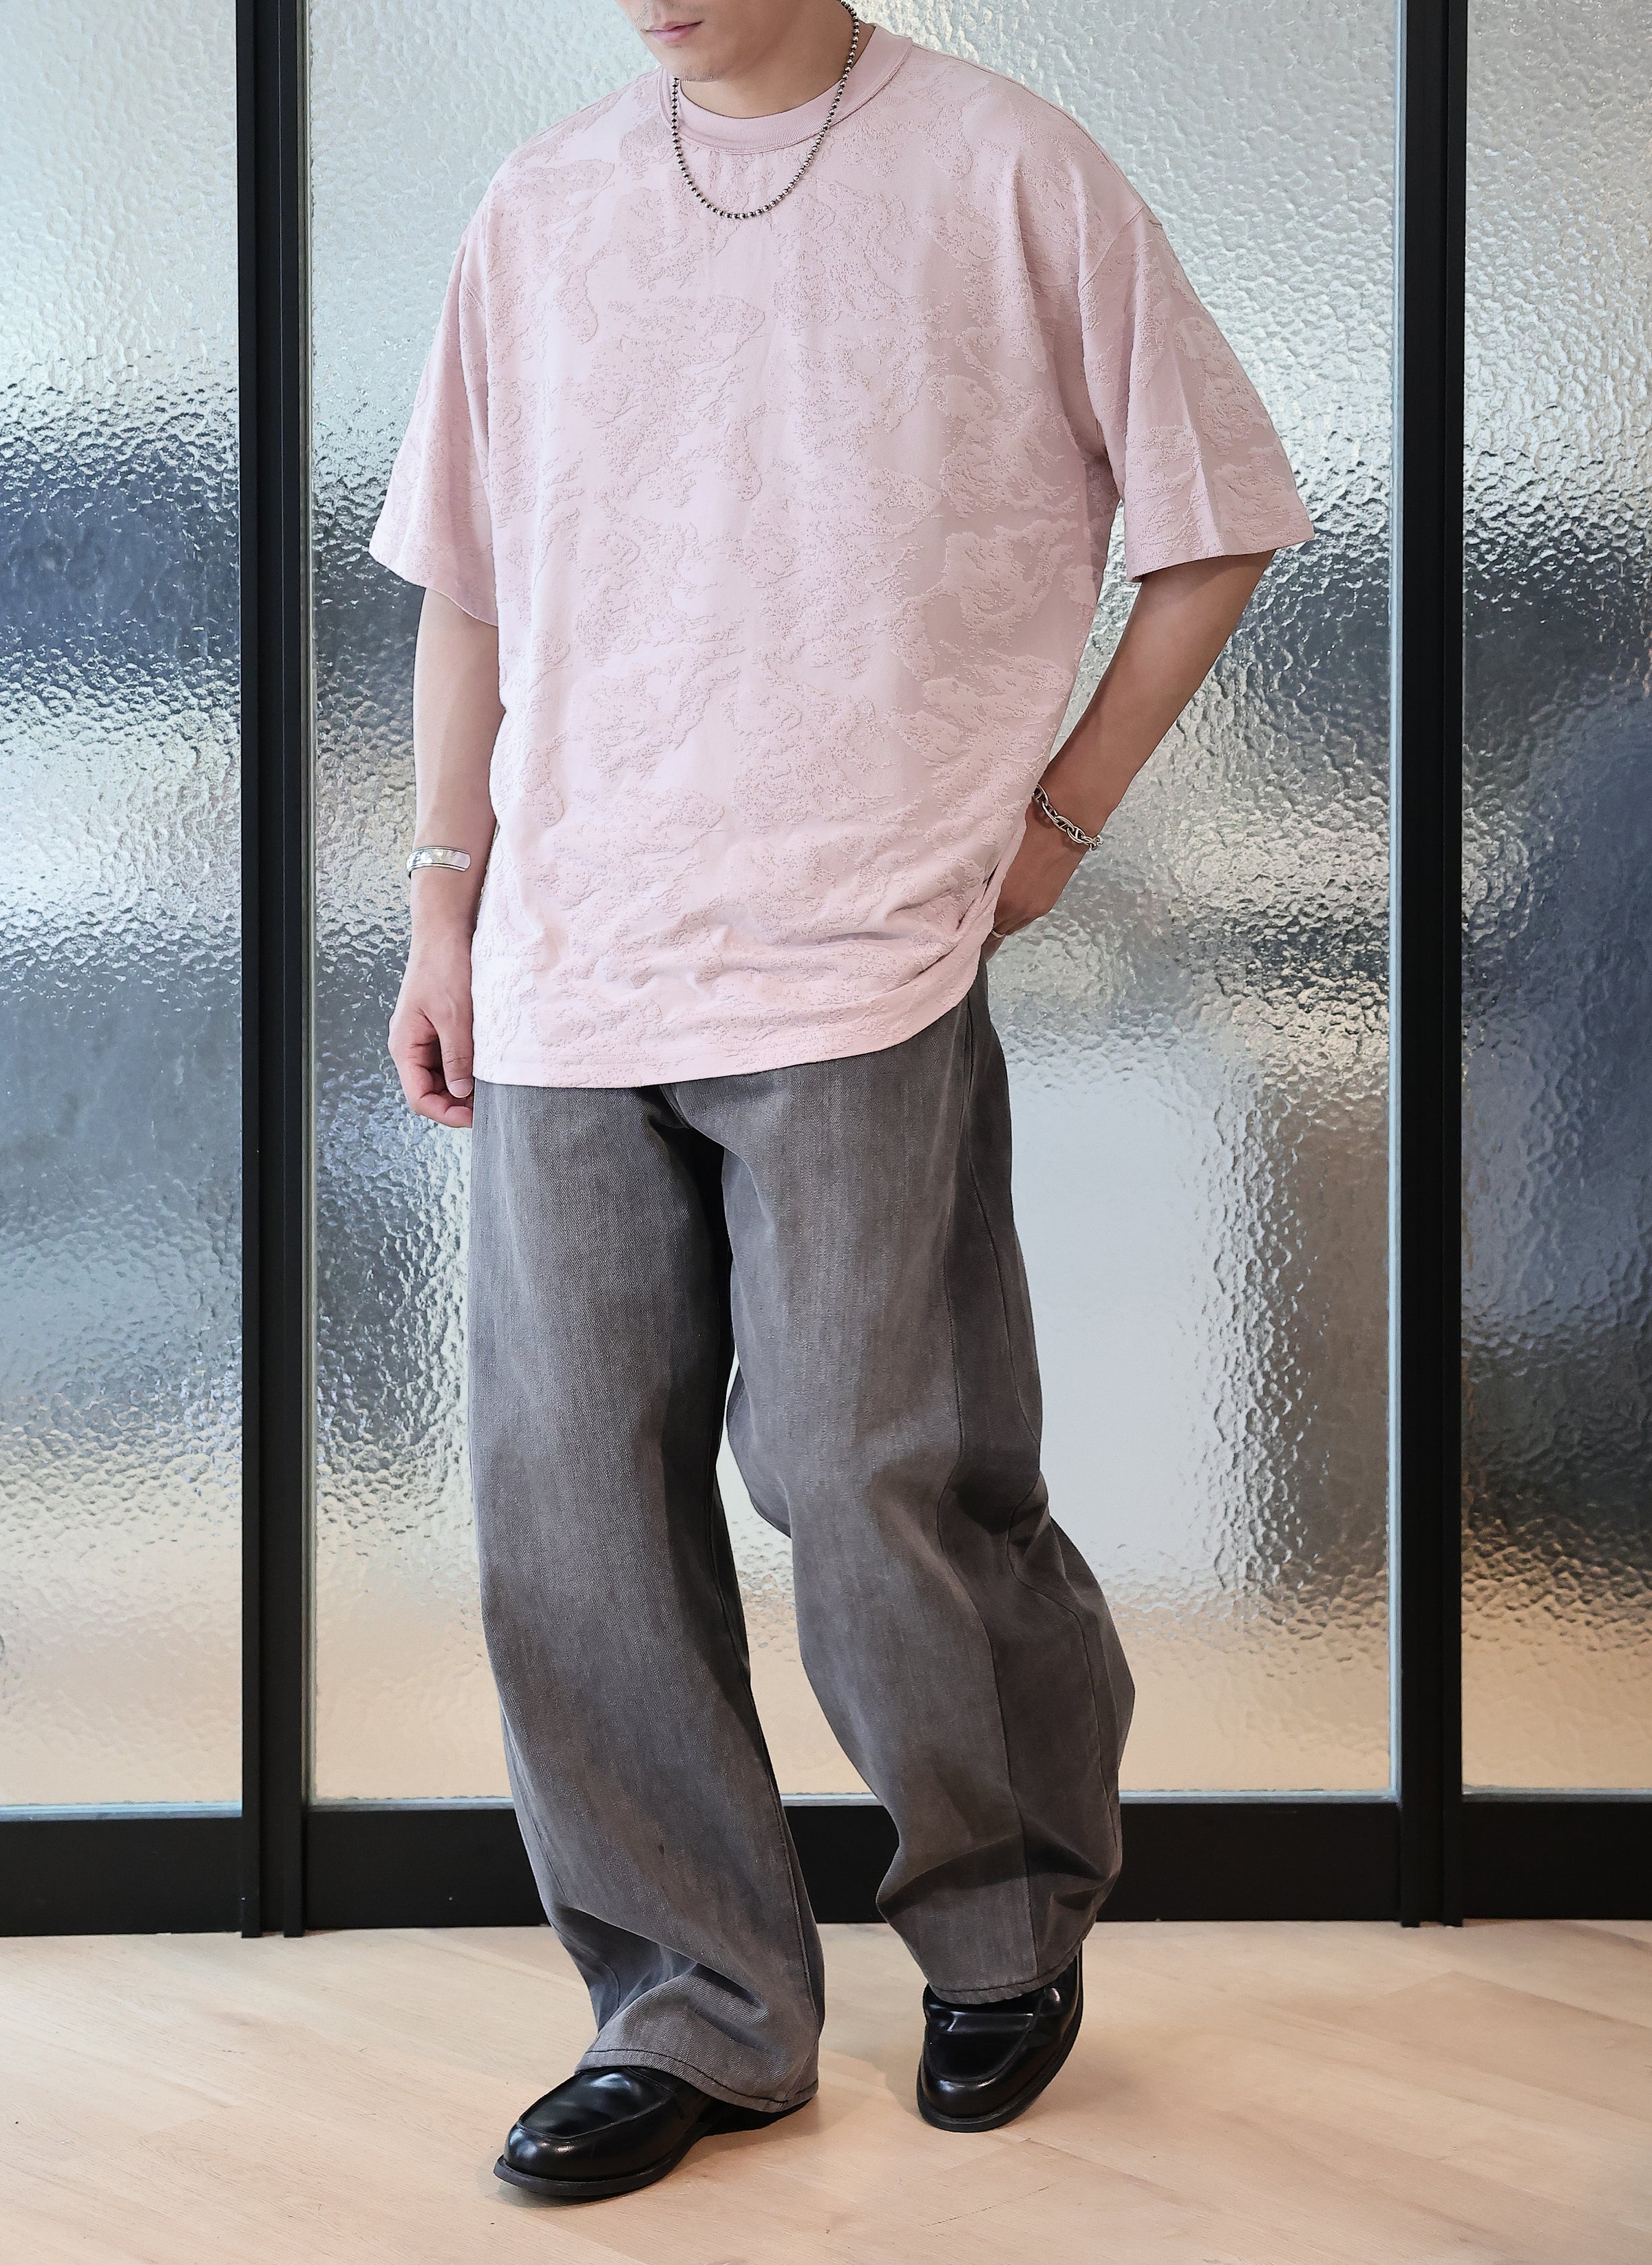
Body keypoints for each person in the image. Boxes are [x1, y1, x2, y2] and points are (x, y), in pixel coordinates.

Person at [372, 0, 1312, 2204]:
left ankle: (1005, 1909)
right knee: (572, 1507)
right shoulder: (538, 209)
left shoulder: (1008, 168)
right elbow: (471, 599)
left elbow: (1219, 519)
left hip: (864, 951)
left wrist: (1060, 818)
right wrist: (443, 907)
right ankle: (692, 2004)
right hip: (575, 962)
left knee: (872, 1466)